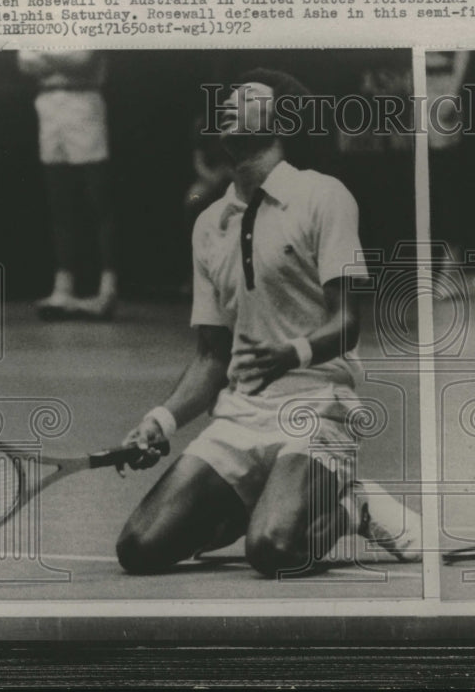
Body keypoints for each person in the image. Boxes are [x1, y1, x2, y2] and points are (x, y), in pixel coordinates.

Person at [115, 68, 421, 576]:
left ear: (284, 119)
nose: (229, 103)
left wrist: (292, 353)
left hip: (320, 409)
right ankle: (266, 497)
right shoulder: (208, 225)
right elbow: (212, 357)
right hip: (241, 418)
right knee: (140, 548)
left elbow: (348, 323)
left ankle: (352, 506)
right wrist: (161, 420)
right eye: (228, 97)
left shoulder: (325, 196)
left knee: (273, 551)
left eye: (247, 98)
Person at [17, 50, 118, 320]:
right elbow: (24, 61)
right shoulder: (41, 13)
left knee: (99, 198)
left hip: (83, 100)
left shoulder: (90, 11)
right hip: (48, 103)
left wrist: (45, 54)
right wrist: (61, 58)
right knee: (58, 201)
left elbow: (83, 61)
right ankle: (64, 288)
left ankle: (107, 289)